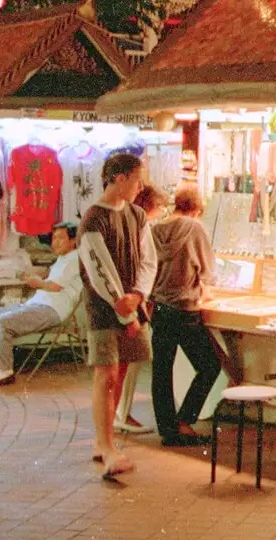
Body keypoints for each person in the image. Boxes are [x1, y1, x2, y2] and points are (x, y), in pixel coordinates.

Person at [78, 152, 156, 480]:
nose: (141, 187)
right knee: (105, 375)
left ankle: (103, 439)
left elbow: (148, 259)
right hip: (103, 311)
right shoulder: (93, 218)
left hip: (131, 307)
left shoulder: (137, 215)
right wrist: (124, 307)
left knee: (120, 373)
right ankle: (108, 447)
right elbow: (100, 271)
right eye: (137, 179)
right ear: (120, 178)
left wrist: (138, 294)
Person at [150, 185, 224, 447]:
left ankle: (168, 430)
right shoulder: (195, 228)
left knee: (161, 370)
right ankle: (185, 420)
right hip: (184, 309)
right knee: (210, 365)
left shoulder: (155, 229)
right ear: (197, 209)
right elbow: (208, 271)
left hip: (159, 308)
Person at [0, 223, 83, 387]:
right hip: (37, 304)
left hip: (53, 310)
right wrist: (31, 273)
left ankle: (5, 372)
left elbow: (54, 286)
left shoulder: (75, 259)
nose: (55, 242)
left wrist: (36, 282)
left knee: (1, 323)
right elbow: (49, 275)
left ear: (73, 240)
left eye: (60, 238)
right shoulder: (63, 258)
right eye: (54, 238)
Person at [113, 184, 168, 437]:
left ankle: (120, 413)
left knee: (127, 362)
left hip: (132, 299)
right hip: (135, 301)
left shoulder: (132, 224)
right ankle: (121, 414)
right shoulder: (140, 226)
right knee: (130, 361)